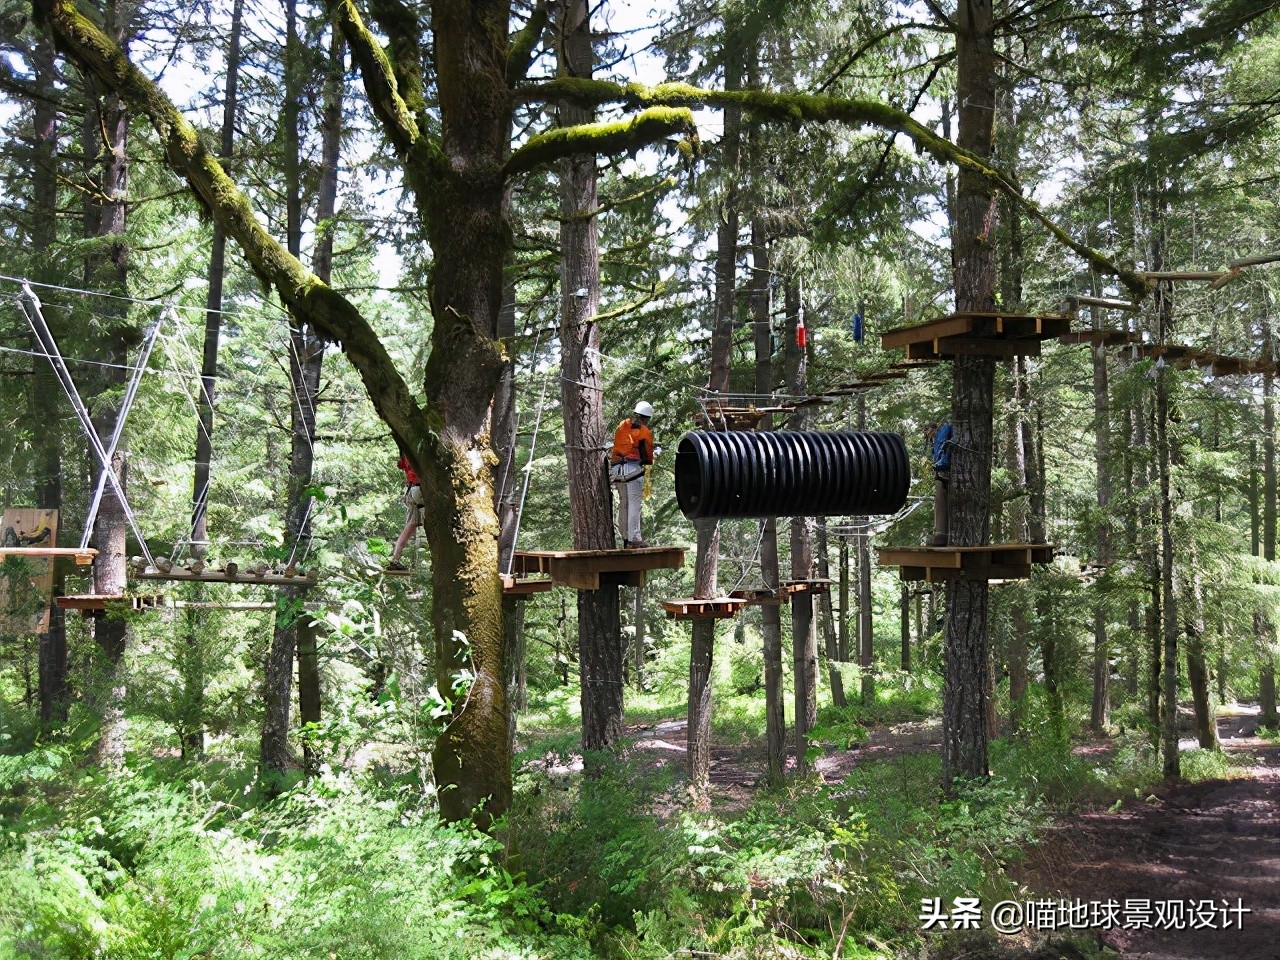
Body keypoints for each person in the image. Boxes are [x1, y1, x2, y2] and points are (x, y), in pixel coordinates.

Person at [610, 401, 656, 548]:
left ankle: (625, 537)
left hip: (616, 470)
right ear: (647, 418)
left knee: (624, 503)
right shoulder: (644, 431)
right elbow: (647, 456)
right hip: (632, 470)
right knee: (634, 504)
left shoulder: (622, 425)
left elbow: (621, 443)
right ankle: (634, 539)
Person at [388, 454, 423, 570]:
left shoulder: (405, 456)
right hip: (417, 490)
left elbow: (400, 465)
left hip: (412, 490)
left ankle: (396, 559)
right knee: (412, 526)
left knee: (411, 527)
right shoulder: (414, 454)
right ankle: (395, 559)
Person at [930, 421, 953, 546]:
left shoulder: (942, 432)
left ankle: (942, 536)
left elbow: (942, 449)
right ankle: (942, 535)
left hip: (944, 469)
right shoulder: (938, 437)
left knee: (944, 501)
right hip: (941, 470)